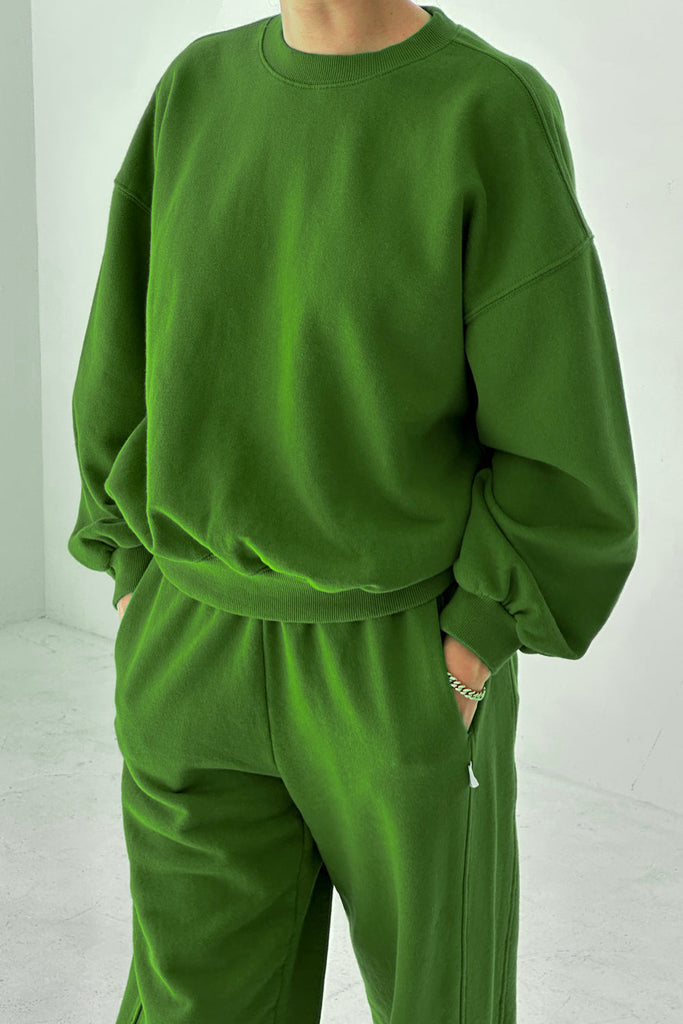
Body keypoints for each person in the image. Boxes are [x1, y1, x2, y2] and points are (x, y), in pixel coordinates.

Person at [67, 3, 638, 1022]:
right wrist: (133, 576)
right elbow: (121, 355)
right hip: (192, 647)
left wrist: (474, 640)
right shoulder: (195, 88)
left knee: (439, 1005)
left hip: (393, 662)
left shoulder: (485, 108)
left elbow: (562, 433)